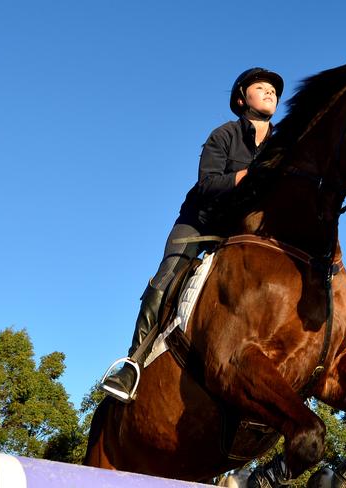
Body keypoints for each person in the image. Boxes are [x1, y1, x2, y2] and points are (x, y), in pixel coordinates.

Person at [100, 68, 284, 403]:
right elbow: (208, 183)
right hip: (199, 224)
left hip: (242, 232)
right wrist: (248, 174)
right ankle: (132, 364)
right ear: (242, 98)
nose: (271, 92)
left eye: (274, 90)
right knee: (165, 280)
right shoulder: (224, 135)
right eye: (262, 87)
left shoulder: (282, 144)